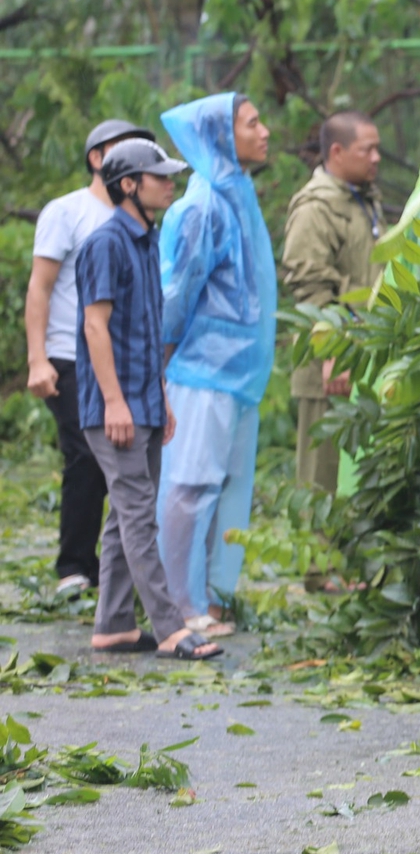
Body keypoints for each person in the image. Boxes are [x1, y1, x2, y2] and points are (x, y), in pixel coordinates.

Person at [76, 139, 222, 662]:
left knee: (125, 517)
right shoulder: (105, 243)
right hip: (114, 409)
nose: (170, 183)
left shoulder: (146, 241)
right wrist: (115, 403)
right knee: (140, 516)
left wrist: (160, 398)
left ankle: (113, 625)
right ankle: (169, 627)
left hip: (144, 402)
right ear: (129, 185)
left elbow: (145, 329)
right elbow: (96, 327)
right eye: (158, 176)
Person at [155, 94, 277, 639]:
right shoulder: (202, 205)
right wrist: (159, 364)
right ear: (223, 135)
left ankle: (211, 599)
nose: (266, 131)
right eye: (252, 123)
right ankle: (178, 604)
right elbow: (176, 296)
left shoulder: (236, 194)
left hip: (235, 375)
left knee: (225, 487)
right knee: (190, 486)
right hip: (201, 371)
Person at [26, 119, 157, 599]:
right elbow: (40, 287)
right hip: (69, 352)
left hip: (122, 359)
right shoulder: (68, 212)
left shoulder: (140, 219)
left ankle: (110, 572)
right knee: (86, 456)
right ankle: (75, 567)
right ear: (98, 158)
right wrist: (37, 359)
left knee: (122, 464)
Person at [281, 111, 383, 497]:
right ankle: (317, 557)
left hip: (363, 359)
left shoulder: (360, 199)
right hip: (331, 365)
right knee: (321, 480)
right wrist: (332, 352)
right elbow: (310, 286)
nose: (376, 158)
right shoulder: (315, 207)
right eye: (367, 149)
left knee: (357, 478)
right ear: (337, 152)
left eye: (378, 149)